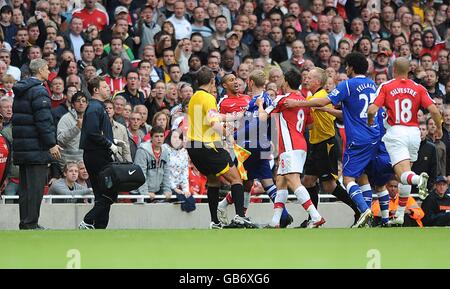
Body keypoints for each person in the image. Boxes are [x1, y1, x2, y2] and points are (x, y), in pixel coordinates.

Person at [284, 53, 386, 228]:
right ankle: (314, 217)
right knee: (309, 180)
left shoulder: (335, 89)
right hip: (327, 142)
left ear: (351, 67)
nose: (306, 80)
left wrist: (296, 104)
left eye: (309, 77)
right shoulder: (371, 84)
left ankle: (362, 211)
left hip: (328, 143)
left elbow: (325, 103)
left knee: (339, 182)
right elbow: (346, 113)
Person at [368, 57, 443, 226]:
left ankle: (418, 180)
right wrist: (438, 128)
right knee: (405, 173)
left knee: (402, 174)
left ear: (393, 70)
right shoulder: (418, 88)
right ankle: (400, 214)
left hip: (396, 132)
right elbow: (435, 111)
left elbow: (372, 109)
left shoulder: (387, 86)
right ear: (409, 70)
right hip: (414, 133)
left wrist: (370, 120)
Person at [217, 71, 293, 228]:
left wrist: (235, 136)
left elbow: (255, 123)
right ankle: (283, 216)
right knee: (263, 182)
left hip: (250, 146)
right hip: (262, 144)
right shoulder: (266, 99)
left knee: (241, 181)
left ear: (250, 82)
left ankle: (231, 211)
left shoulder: (255, 101)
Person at [186, 66, 256, 229]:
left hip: (194, 146)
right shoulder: (209, 98)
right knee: (236, 179)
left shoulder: (195, 97)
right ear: (212, 81)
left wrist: (232, 117)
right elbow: (214, 123)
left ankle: (214, 222)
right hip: (210, 146)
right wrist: (229, 136)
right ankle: (239, 216)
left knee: (213, 181)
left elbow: (211, 117)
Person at [257, 70, 325, 228]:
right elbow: (310, 124)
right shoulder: (302, 100)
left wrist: (260, 104)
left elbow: (262, 117)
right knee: (280, 181)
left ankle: (315, 216)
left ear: (286, 82)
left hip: (289, 146)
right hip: (300, 145)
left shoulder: (283, 99)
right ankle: (275, 221)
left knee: (293, 181)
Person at [12, 58, 62, 230]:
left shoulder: (21, 90)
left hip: (23, 147)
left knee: (25, 189)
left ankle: (25, 222)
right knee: (35, 188)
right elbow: (44, 122)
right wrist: (51, 144)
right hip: (36, 148)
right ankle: (31, 223)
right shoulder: (39, 91)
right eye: (47, 69)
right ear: (40, 70)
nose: (49, 72)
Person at [78, 76, 126, 230]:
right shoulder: (94, 107)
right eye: (105, 87)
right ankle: (88, 220)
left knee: (101, 193)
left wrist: (113, 141)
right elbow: (92, 132)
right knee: (109, 193)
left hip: (97, 153)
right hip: (97, 154)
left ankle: (99, 228)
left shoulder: (97, 107)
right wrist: (108, 144)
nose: (108, 89)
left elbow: (97, 132)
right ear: (96, 90)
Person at [133, 126, 171, 203]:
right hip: (140, 192)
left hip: (156, 191)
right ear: (151, 137)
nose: (159, 139)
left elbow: (166, 173)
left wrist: (167, 190)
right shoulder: (142, 151)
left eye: (161, 136)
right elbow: (140, 174)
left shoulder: (166, 152)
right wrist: (145, 193)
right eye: (156, 136)